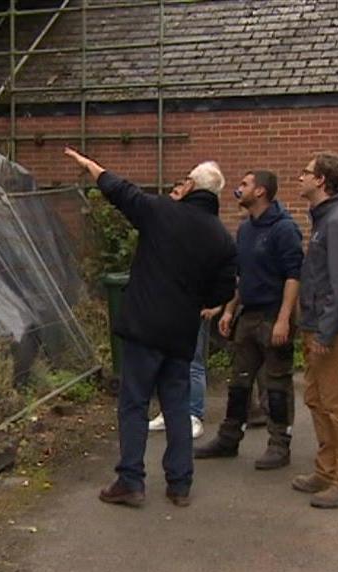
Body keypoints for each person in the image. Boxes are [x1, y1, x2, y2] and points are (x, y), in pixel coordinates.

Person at [63, 147, 235, 508]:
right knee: (176, 405)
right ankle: (180, 483)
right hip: (181, 334)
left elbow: (123, 192)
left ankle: (130, 481)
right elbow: (222, 291)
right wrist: (194, 299)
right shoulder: (221, 237)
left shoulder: (161, 212)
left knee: (134, 403)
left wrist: (92, 166)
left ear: (190, 185)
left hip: (144, 328)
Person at [194, 170, 303, 470]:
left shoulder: (284, 229)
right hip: (248, 314)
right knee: (239, 381)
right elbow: (242, 276)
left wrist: (284, 320)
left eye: (244, 184)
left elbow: (294, 276)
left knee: (277, 383)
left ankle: (279, 444)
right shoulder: (246, 229)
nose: (238, 189)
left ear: (262, 192)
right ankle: (229, 438)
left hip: (273, 316)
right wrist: (229, 309)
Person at [290, 152, 338, 509]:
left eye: (306, 173)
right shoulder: (325, 219)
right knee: (317, 400)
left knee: (337, 405)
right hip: (316, 325)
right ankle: (326, 469)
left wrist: (325, 331)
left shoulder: (337, 221)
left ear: (321, 180)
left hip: (330, 331)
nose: (299, 177)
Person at [146, 177, 222, 440]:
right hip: (166, 307)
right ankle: (169, 412)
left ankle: (193, 413)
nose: (173, 195)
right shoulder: (168, 224)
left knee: (193, 361)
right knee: (164, 362)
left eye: (178, 191)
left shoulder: (201, 226)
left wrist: (210, 302)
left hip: (192, 306)